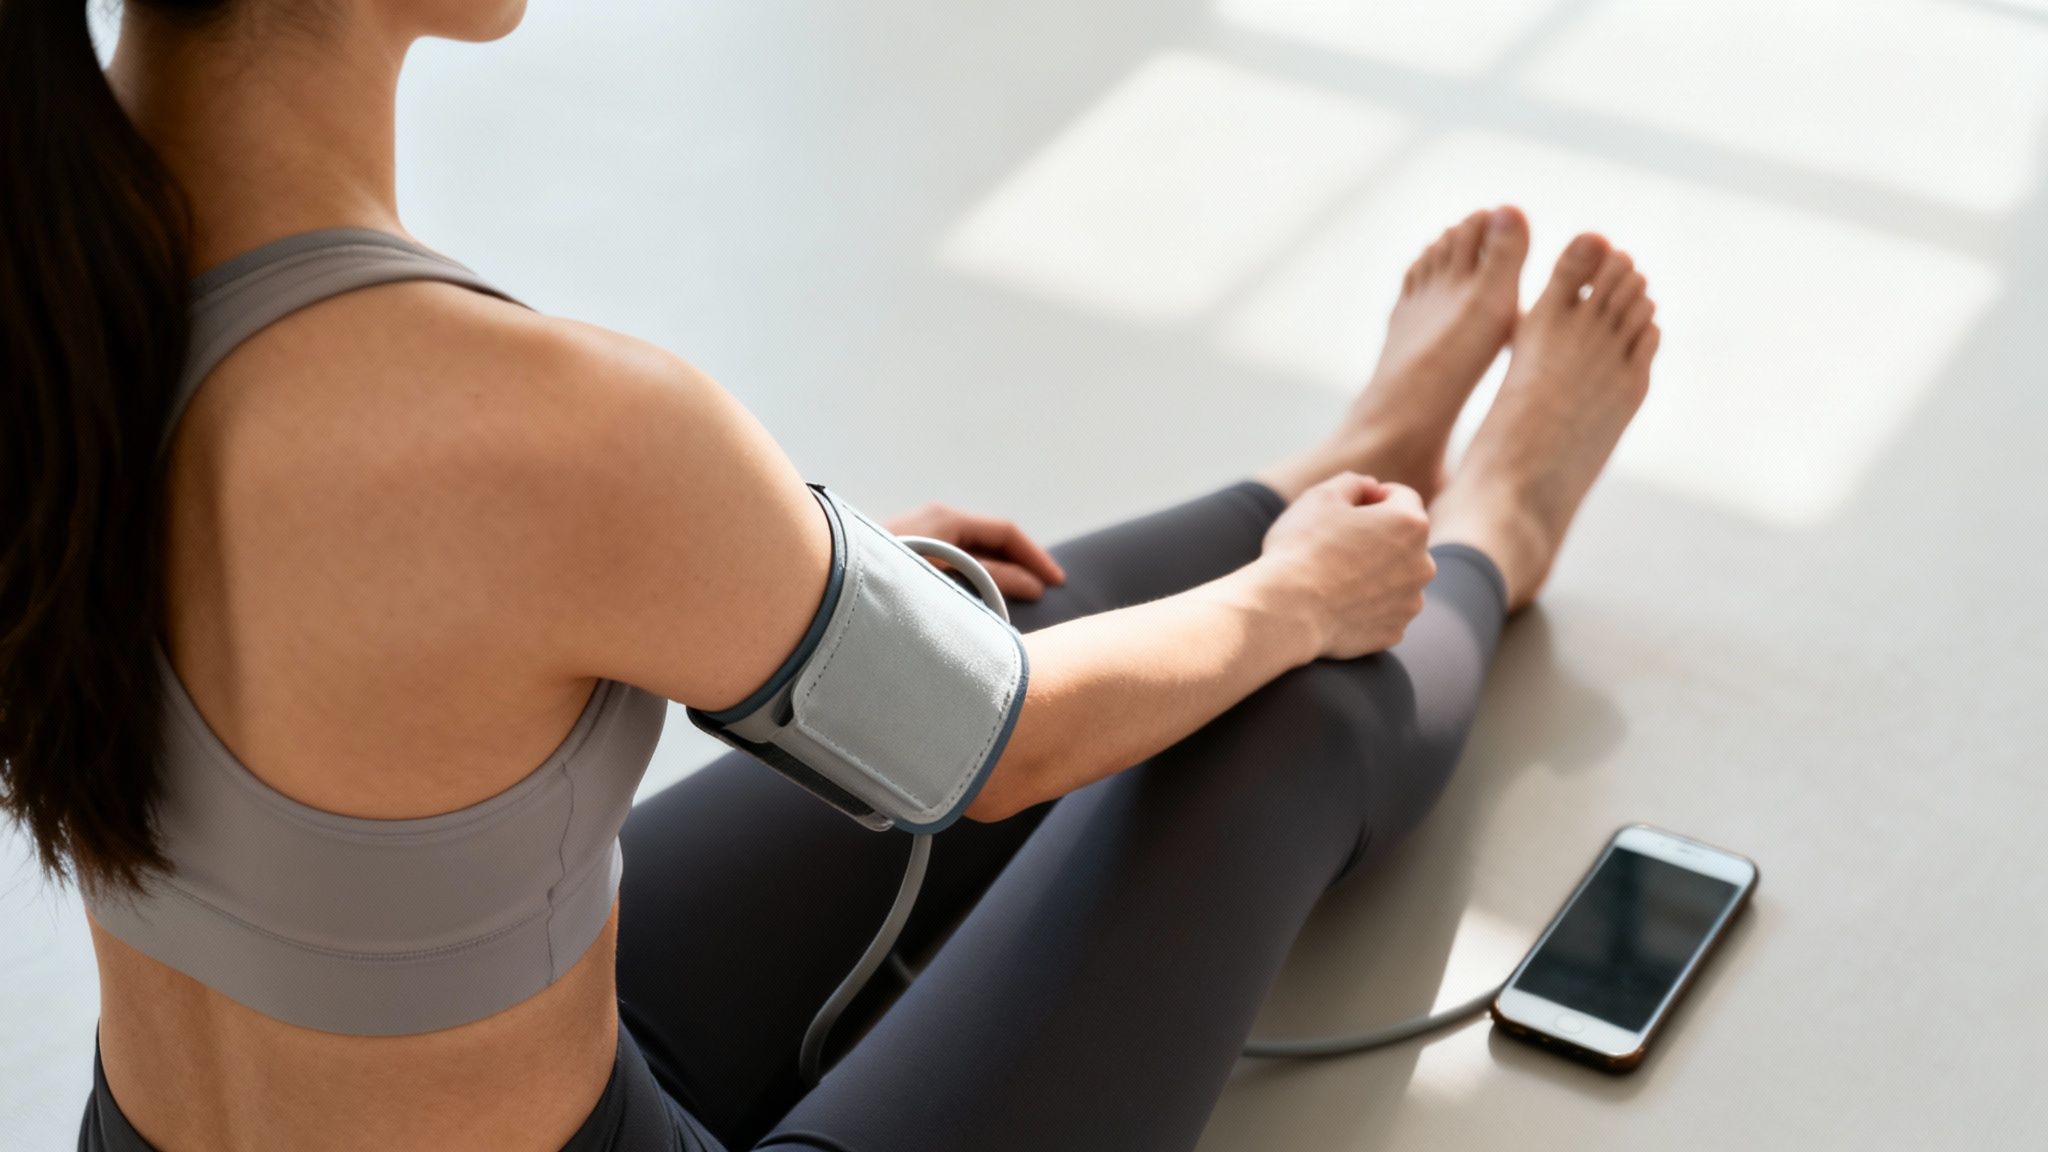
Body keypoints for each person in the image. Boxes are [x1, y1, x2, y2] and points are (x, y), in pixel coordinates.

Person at [0, 2, 1658, 1150]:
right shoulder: (544, 431)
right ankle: (1490, 526)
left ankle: (1336, 459)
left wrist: (767, 571)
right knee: (1268, 710)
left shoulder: (44, 309)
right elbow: (1001, 753)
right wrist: (1295, 601)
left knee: (971, 621)